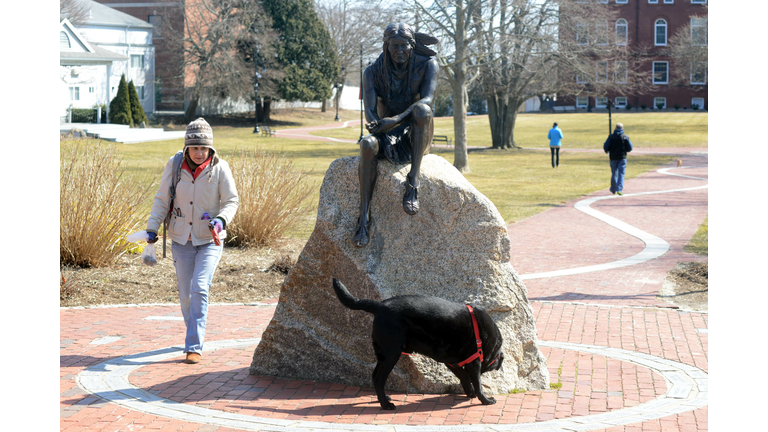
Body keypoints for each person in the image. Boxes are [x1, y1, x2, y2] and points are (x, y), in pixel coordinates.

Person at [145, 118, 239, 364]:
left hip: (210, 239)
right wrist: (151, 228)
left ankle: (194, 345)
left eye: (204, 148)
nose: (199, 153)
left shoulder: (220, 168)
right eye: (195, 148)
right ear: (187, 148)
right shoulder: (175, 165)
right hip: (180, 239)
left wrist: (221, 220)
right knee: (186, 294)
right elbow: (162, 199)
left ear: (210, 149)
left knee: (199, 287)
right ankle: (192, 333)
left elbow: (232, 201)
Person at [353, 23, 439, 247]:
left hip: (415, 129)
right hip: (387, 130)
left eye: (404, 46)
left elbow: (427, 100)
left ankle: (413, 182)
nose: (398, 51)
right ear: (386, 46)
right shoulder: (373, 71)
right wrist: (375, 124)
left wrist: (398, 119)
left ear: (412, 45)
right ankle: (364, 217)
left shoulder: (428, 64)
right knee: (367, 145)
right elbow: (370, 110)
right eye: (393, 46)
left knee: (423, 110)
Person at [603, 122, 633, 196]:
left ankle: (613, 189)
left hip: (613, 157)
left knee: (614, 173)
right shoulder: (625, 137)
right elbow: (630, 148)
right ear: (622, 128)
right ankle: (619, 189)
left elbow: (606, 146)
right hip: (622, 158)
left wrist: (608, 152)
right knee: (621, 174)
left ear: (615, 128)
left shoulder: (611, 137)